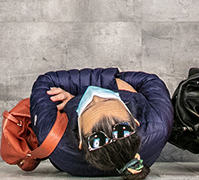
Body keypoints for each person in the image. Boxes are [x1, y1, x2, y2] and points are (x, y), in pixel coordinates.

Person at [30, 67, 173, 179]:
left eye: (88, 106)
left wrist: (75, 101)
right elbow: (149, 80)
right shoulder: (159, 123)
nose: (94, 94)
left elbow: (46, 81)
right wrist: (112, 83)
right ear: (135, 121)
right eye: (109, 98)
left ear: (80, 140)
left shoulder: (52, 138)